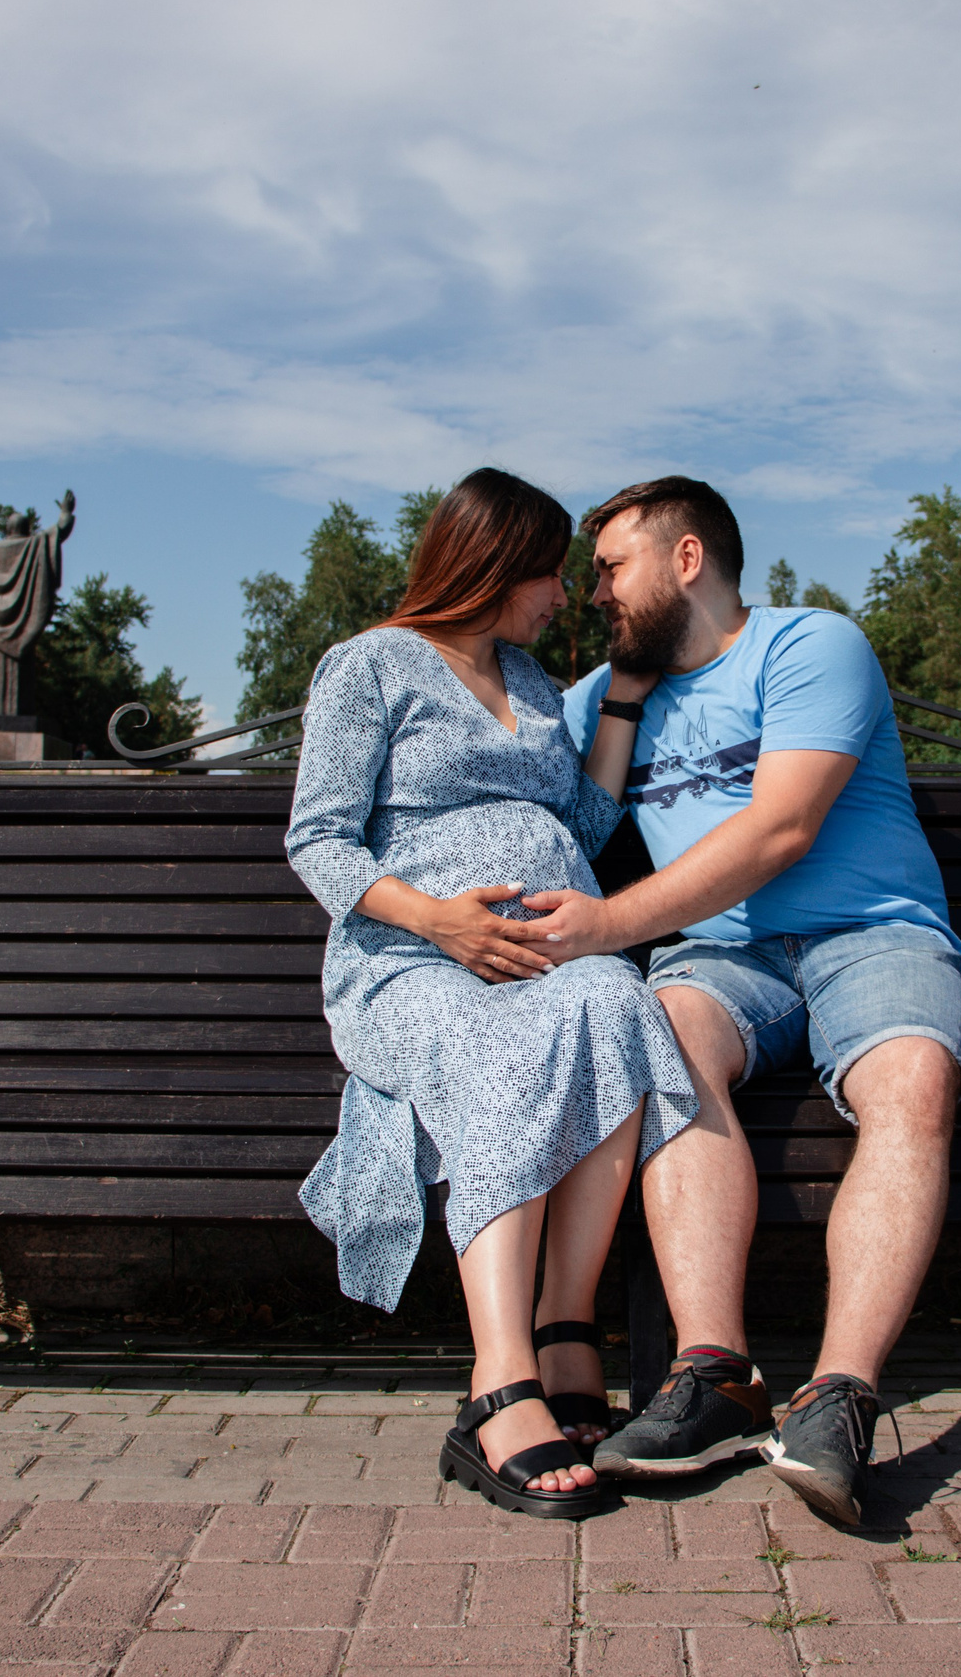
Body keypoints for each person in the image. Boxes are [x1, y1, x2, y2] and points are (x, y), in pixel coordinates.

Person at [528, 475, 961, 1527]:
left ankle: (838, 1398)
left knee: (910, 1077)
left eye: (610, 568)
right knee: (666, 1030)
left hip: (873, 934)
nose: (594, 594)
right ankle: (715, 1374)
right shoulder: (604, 697)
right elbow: (548, 819)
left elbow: (780, 830)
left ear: (687, 560)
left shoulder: (808, 646)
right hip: (726, 962)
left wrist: (605, 924)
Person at [286, 468, 697, 1521]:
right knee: (497, 1044)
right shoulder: (370, 665)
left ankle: (566, 1329)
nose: (565, 594)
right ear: (492, 565)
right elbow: (317, 840)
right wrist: (440, 921)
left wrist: (621, 698)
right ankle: (500, 1379)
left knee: (618, 1004)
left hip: (545, 965)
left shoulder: (527, 677)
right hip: (410, 963)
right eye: (548, 572)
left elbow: (588, 828)